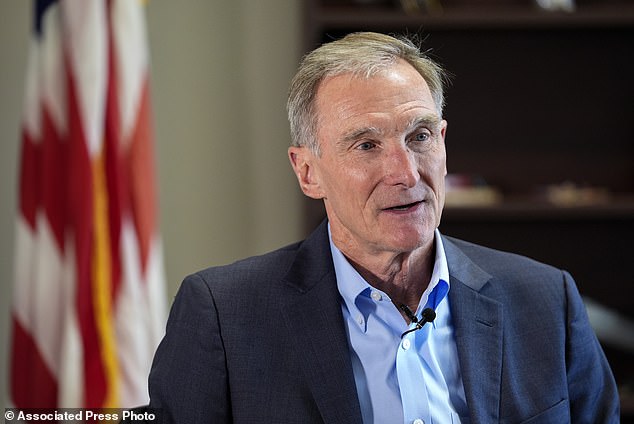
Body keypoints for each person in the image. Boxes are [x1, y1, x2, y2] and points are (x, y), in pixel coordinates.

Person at [146, 32, 619, 423]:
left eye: (420, 136)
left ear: (444, 141)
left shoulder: (545, 301)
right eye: (367, 145)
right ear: (308, 172)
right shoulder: (225, 316)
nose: (408, 173)